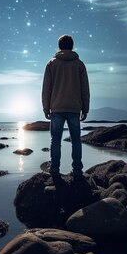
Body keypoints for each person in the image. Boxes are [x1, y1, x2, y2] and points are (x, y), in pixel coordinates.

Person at [42, 34, 90, 176]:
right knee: (76, 141)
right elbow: (85, 89)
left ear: (59, 46)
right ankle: (77, 169)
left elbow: (46, 88)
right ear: (72, 46)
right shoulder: (79, 64)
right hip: (75, 108)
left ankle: (54, 168)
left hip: (56, 108)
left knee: (55, 140)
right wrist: (85, 108)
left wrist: (46, 107)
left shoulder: (51, 63)